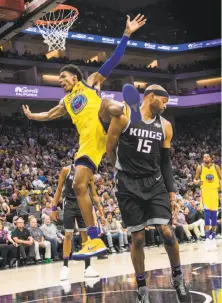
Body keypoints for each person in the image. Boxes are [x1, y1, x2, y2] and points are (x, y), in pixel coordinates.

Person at [22, 14, 146, 259]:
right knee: (78, 185)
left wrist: (126, 35)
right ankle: (94, 239)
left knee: (106, 104)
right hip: (89, 144)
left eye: (63, 78)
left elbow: (112, 62)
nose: (60, 81)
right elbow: (49, 114)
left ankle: (129, 112)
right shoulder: (66, 102)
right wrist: (31, 116)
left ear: (74, 78)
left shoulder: (89, 83)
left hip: (104, 122)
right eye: (59, 80)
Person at [106, 84, 191, 303]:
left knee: (167, 231)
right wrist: (119, 170)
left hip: (154, 183)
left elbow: (165, 161)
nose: (165, 105)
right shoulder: (124, 117)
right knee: (138, 238)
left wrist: (172, 193)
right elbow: (109, 147)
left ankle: (178, 277)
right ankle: (142, 290)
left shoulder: (166, 126)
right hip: (128, 184)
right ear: (151, 96)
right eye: (163, 101)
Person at [51, 164, 105, 280]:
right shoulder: (66, 170)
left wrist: (100, 210)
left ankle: (88, 267)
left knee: (85, 236)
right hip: (69, 204)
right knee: (68, 235)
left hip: (83, 204)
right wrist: (54, 208)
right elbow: (59, 189)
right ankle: (65, 266)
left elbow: (94, 195)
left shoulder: (88, 173)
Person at [194, 153, 221, 251]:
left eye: (207, 157)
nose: (206, 158)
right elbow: (195, 180)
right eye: (204, 157)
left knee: (214, 215)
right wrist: (197, 182)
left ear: (210, 158)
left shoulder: (216, 167)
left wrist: (220, 186)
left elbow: (221, 178)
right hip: (205, 192)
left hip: (214, 192)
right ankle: (207, 237)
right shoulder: (200, 168)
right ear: (203, 159)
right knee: (207, 214)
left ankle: (213, 236)